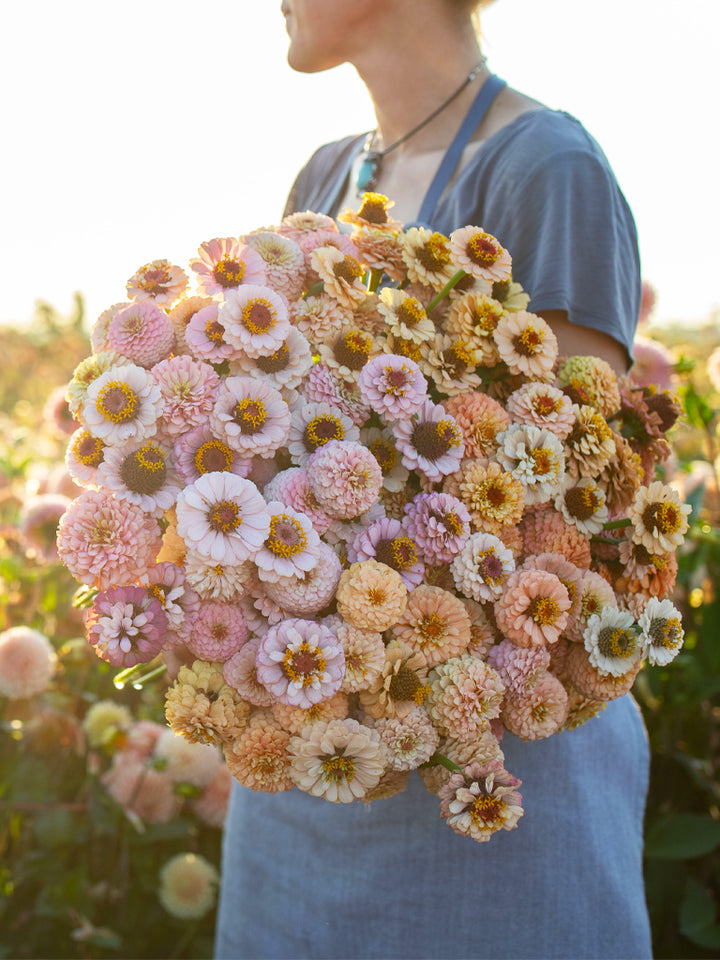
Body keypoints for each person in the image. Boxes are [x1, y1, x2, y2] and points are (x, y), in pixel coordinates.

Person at [215, 2, 652, 957]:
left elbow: (569, 503)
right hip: (308, 760)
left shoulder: (548, 167)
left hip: (488, 771)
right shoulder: (325, 175)